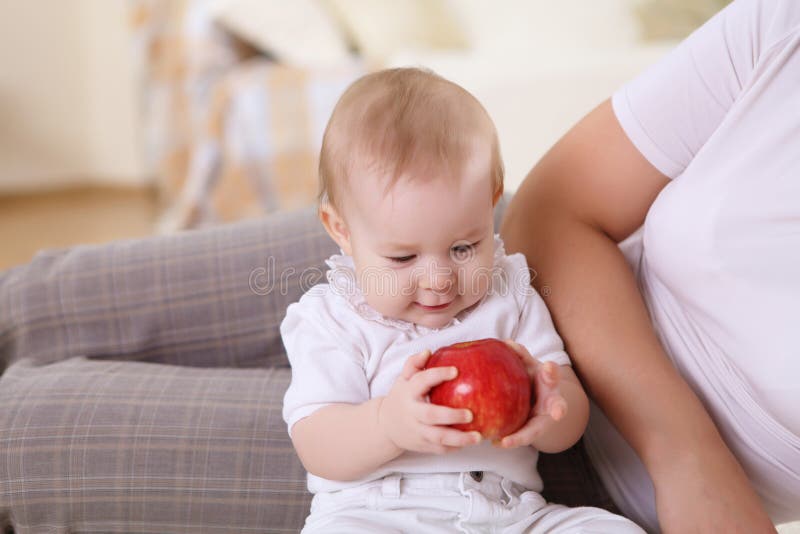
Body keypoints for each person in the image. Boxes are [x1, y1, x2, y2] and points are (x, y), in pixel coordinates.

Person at [280, 67, 645, 533]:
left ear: (491, 204)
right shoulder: (333, 318)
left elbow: (569, 419)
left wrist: (547, 405)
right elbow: (316, 444)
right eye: (403, 256)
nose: (438, 280)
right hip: (379, 513)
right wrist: (387, 425)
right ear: (341, 231)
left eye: (463, 248)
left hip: (508, 513)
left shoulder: (509, 296)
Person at [500, 0, 800, 532]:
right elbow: (551, 209)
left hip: (579, 503)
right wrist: (689, 460)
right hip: (497, 281)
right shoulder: (784, 25)